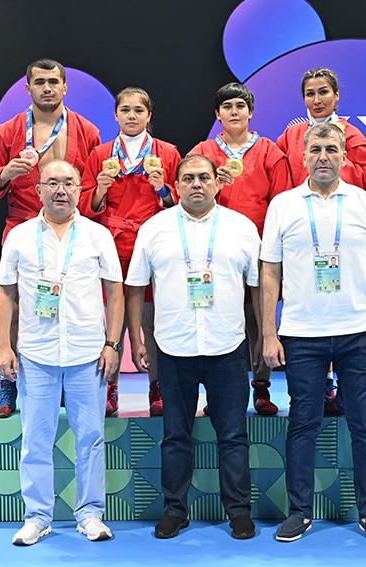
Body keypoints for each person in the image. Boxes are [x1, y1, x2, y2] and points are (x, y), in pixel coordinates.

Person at [261, 123, 366, 543]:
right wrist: (269, 332)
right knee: (303, 423)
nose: (323, 156)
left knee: (365, 424)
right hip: (302, 332)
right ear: (303, 156)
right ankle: (299, 512)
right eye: (316, 149)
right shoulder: (283, 205)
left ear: (344, 156)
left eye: (331, 149)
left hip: (359, 331)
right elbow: (270, 274)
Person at [126, 155, 260, 540]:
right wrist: (136, 338)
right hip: (173, 346)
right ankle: (174, 511)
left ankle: (239, 512)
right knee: (175, 435)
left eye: (204, 177)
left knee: (233, 435)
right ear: (176, 185)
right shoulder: (154, 229)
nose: (197, 184)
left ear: (217, 183)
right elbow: (135, 287)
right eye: (188, 178)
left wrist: (264, 335)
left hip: (227, 345)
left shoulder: (242, 228)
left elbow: (258, 287)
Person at [0, 160, 124, 545]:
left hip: (87, 354)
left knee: (91, 439)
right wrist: (3, 347)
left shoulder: (98, 235)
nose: (61, 190)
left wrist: (112, 344)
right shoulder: (19, 236)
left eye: (68, 183)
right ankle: (37, 517)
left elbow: (114, 292)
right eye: (52, 183)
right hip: (36, 353)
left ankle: (90, 514)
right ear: (38, 190)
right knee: (35, 440)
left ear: (81, 189)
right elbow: (4, 292)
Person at [0, 58, 102, 419]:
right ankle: (8, 382)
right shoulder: (9, 131)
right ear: (28, 88)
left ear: (65, 87)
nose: (47, 88)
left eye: (53, 82)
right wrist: (6, 172)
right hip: (23, 227)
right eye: (40, 82)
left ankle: (67, 380)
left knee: (77, 302)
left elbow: (92, 182)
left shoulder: (86, 130)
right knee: (16, 306)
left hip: (71, 230)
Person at [277, 68, 366, 415]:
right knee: (311, 307)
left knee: (342, 307)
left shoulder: (352, 134)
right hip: (305, 234)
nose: (317, 100)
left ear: (337, 95)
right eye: (310, 93)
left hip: (343, 235)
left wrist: (329, 167)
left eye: (323, 92)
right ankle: (322, 386)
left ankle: (345, 388)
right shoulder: (291, 135)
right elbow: (283, 182)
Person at [189, 82, 292, 416]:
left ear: (250, 112)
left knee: (260, 321)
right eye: (227, 107)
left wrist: (275, 250)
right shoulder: (202, 152)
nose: (234, 112)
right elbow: (188, 199)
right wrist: (213, 186)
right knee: (218, 319)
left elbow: (281, 205)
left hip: (261, 251)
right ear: (217, 114)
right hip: (215, 253)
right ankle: (216, 393)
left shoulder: (270, 152)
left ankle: (261, 387)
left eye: (240, 106)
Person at [81, 87, 180, 418]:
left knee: (153, 320)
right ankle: (109, 387)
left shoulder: (167, 152)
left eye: (139, 110)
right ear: (115, 115)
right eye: (125, 110)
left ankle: (158, 385)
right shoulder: (100, 154)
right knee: (113, 321)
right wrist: (100, 190)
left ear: (149, 115)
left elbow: (178, 204)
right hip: (112, 244)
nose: (132, 115)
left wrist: (162, 188)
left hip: (153, 244)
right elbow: (87, 205)